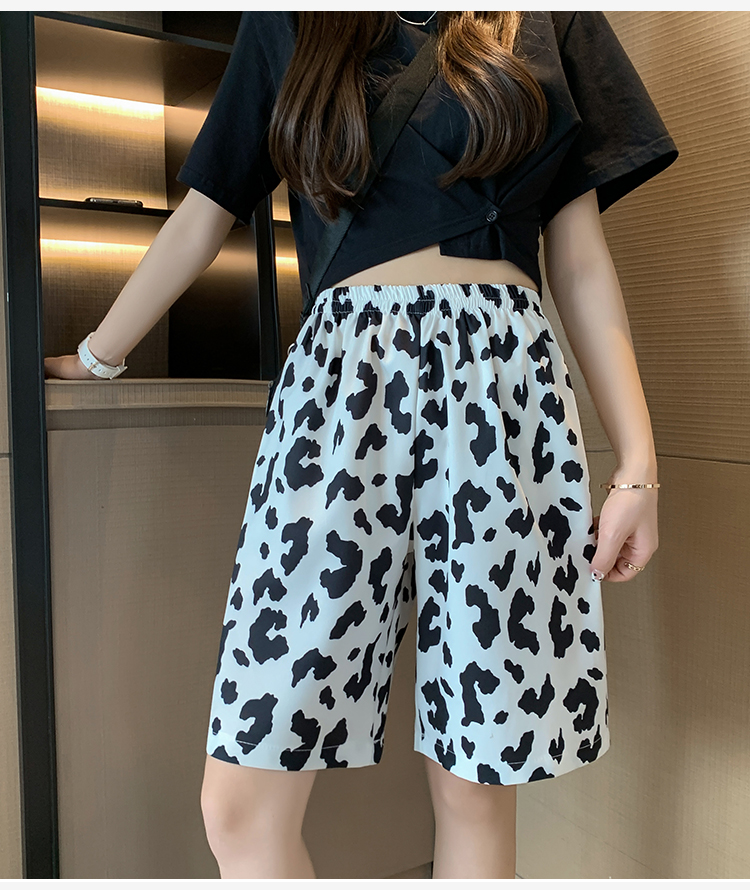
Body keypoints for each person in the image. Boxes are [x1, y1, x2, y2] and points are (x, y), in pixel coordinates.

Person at [44, 11, 677, 880]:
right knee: (239, 803)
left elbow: (579, 258)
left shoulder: (549, 17)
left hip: (504, 396)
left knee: (478, 782)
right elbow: (207, 209)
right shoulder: (291, 22)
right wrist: (94, 358)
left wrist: (639, 465)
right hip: (338, 395)